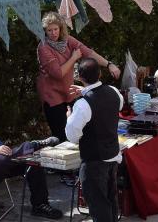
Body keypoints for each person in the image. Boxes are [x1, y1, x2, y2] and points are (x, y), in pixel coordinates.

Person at [36, 11, 118, 142]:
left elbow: (88, 52)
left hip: (68, 91)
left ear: (61, 28)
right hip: (52, 96)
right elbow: (58, 73)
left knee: (78, 130)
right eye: (49, 30)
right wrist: (74, 57)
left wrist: (109, 64)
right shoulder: (43, 48)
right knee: (61, 136)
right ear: (45, 31)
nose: (53, 33)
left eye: (55, 29)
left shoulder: (68, 40)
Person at [65, 57, 123, 222]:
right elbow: (116, 105)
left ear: (80, 78)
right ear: (99, 74)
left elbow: (72, 136)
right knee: (110, 200)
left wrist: (69, 117)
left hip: (94, 160)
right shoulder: (114, 92)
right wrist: (85, 91)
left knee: (99, 206)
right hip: (112, 155)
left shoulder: (82, 104)